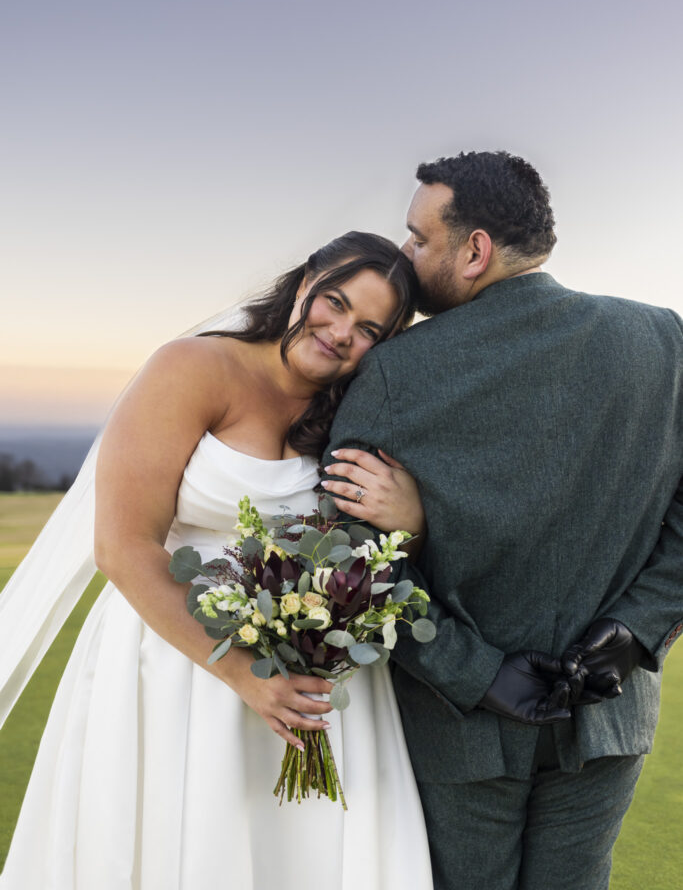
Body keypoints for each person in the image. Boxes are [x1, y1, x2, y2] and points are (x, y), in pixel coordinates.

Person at [0, 231, 435, 890]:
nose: (342, 331)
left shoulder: (356, 409)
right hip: (174, 662)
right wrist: (242, 674)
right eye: (336, 302)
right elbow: (122, 545)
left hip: (307, 667)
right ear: (304, 280)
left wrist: (409, 519)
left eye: (369, 328)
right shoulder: (194, 367)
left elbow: (359, 542)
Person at [323, 152, 683, 890]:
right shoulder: (664, 340)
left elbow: (355, 564)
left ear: (474, 250)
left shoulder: (392, 370)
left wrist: (480, 673)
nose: (408, 258)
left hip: (458, 726)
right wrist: (635, 632)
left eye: (419, 240)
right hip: (606, 717)